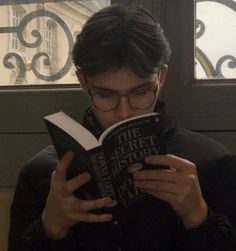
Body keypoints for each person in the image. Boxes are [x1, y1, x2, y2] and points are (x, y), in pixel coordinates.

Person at [8, 4, 236, 251]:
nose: (124, 111)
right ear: (84, 82)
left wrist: (198, 217)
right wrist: (49, 228)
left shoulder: (215, 164)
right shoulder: (40, 174)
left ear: (161, 78)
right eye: (106, 95)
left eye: (140, 92)